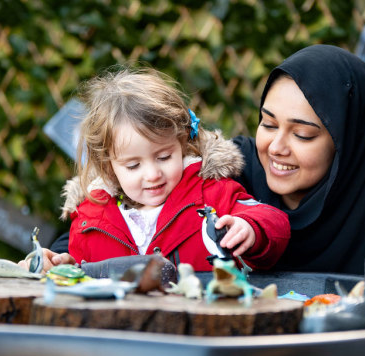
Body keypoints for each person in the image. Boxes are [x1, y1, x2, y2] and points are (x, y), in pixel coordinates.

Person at [42, 45, 365, 281]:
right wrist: (58, 255)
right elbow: (109, 217)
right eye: (268, 124)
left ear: (345, 143)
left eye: (303, 134)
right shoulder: (233, 167)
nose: (277, 147)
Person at [45, 67, 290, 273]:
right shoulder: (91, 218)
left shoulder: (210, 192)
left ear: (182, 143)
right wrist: (66, 267)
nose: (152, 174)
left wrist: (251, 228)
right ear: (109, 167)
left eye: (164, 157)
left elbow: (273, 221)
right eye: (133, 165)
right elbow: (80, 277)